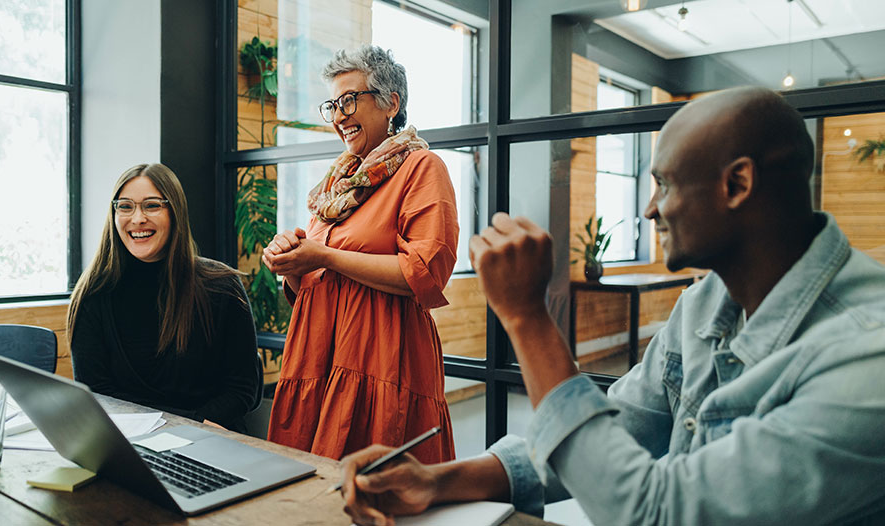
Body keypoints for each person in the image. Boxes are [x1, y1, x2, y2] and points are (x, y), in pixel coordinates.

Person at [338, 87, 885, 525]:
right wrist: (439, 481)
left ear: (738, 184)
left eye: (664, 184)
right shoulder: (704, 305)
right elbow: (614, 431)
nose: (649, 209)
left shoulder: (866, 359)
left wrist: (527, 318)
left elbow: (654, 509)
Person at [263, 45, 458, 463]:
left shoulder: (422, 168)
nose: (338, 116)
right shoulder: (338, 184)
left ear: (391, 103)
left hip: (382, 359)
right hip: (317, 356)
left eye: (350, 100)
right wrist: (292, 263)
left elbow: (423, 273)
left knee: (378, 492)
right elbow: (312, 284)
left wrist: (325, 257)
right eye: (332, 105)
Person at [68, 163, 261, 433]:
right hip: (128, 441)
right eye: (125, 206)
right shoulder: (93, 292)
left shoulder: (221, 285)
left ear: (175, 212)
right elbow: (97, 393)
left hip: (209, 436)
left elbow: (242, 389)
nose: (137, 219)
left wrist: (189, 427)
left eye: (152, 205)